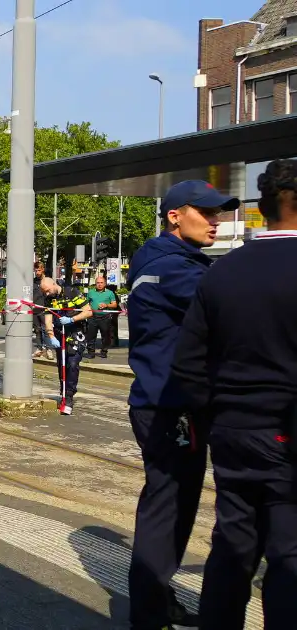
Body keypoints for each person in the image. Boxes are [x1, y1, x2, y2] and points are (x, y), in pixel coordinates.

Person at [171, 162, 297, 629]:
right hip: (288, 437)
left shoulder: (221, 273)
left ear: (261, 210)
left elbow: (187, 364)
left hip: (231, 434)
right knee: (288, 555)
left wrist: (216, 416)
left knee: (232, 544)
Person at [125, 179, 230, 630]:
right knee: (167, 508)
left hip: (163, 401)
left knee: (173, 505)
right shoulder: (176, 268)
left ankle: (156, 600)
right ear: (174, 216)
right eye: (205, 212)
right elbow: (229, 306)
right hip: (171, 406)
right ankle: (149, 614)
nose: (215, 221)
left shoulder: (164, 260)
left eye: (218, 213)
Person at [40, 275, 92, 416]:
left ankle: (69, 396)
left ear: (53, 284)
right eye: (44, 292)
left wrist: (71, 319)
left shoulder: (73, 292)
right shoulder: (49, 299)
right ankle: (63, 393)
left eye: (47, 290)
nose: (46, 293)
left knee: (73, 364)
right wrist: (51, 336)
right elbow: (48, 319)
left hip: (76, 332)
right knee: (62, 365)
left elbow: (88, 311)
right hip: (59, 334)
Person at [85, 275, 118, 359]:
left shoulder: (110, 293)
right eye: (98, 283)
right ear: (95, 283)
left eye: (101, 283)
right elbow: (86, 303)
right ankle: (91, 352)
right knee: (91, 335)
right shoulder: (90, 292)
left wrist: (106, 305)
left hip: (105, 317)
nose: (99, 284)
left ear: (105, 284)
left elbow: (114, 304)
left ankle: (104, 351)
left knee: (105, 336)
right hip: (92, 316)